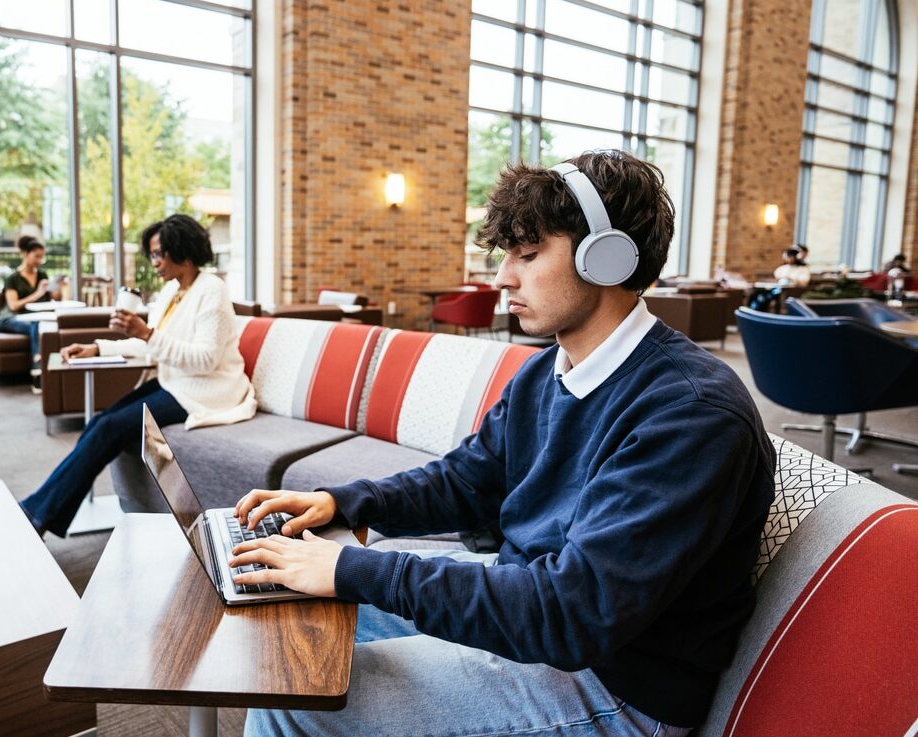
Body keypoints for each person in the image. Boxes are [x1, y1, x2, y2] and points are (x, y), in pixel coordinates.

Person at [229, 150, 775, 736]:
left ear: (607, 258)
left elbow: (573, 613)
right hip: (533, 607)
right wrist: (345, 503)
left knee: (293, 691)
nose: (502, 277)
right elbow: (467, 479)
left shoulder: (689, 414)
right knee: (295, 621)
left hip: (615, 684)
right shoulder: (549, 371)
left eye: (529, 254)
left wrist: (351, 568)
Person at [20, 214, 256, 537]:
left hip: (205, 391)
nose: (155, 262)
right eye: (153, 255)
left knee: (110, 428)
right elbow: (152, 343)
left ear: (182, 251)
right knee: (100, 423)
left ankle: (38, 514)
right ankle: (41, 510)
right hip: (176, 383)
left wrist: (147, 334)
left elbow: (205, 359)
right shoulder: (173, 292)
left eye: (159, 254)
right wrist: (97, 347)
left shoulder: (211, 291)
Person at [0, 235, 62, 393]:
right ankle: (37, 374)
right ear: (25, 254)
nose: (39, 260)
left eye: (42, 257)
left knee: (40, 324)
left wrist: (57, 287)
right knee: (37, 325)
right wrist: (38, 293)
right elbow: (13, 306)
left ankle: (51, 372)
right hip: (11, 319)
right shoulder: (13, 278)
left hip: (37, 318)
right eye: (36, 256)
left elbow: (55, 299)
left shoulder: (42, 275)